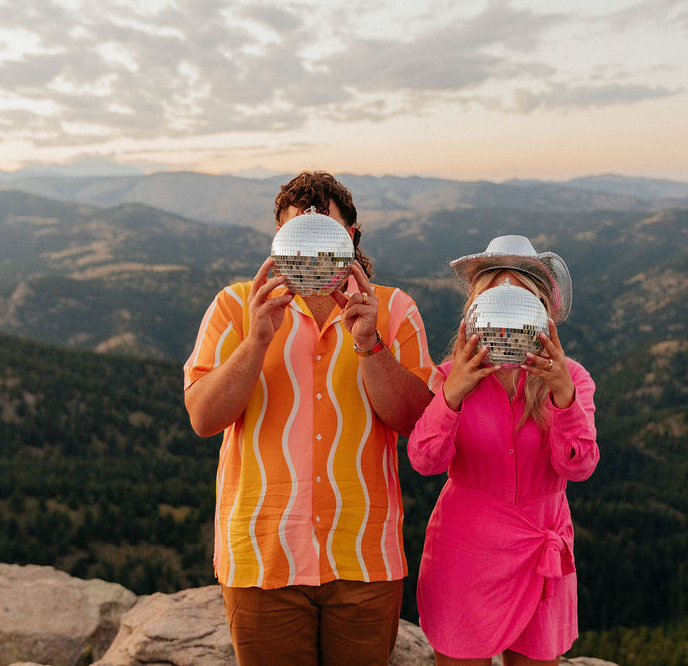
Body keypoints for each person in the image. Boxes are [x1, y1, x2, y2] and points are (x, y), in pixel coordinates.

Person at [183, 171, 436, 665]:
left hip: (364, 553)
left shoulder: (395, 309)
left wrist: (370, 344)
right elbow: (204, 417)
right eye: (296, 237)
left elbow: (414, 422)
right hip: (262, 555)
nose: (310, 251)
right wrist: (257, 339)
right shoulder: (235, 307)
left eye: (325, 235)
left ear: (352, 238)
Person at [407, 235, 599, 665]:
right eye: (496, 295)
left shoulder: (573, 379)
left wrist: (563, 397)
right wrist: (452, 395)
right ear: (478, 308)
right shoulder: (449, 377)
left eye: (522, 296)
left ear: (541, 312)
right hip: (465, 552)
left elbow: (580, 466)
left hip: (539, 553)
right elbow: (424, 461)